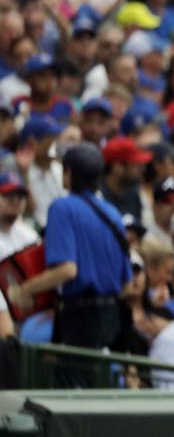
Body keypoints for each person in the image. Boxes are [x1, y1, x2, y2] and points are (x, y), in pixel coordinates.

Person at [9, 144, 134, 357]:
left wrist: (24, 290)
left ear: (69, 173)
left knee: (73, 384)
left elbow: (66, 270)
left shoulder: (62, 207)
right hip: (112, 316)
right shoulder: (112, 213)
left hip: (80, 317)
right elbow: (127, 285)